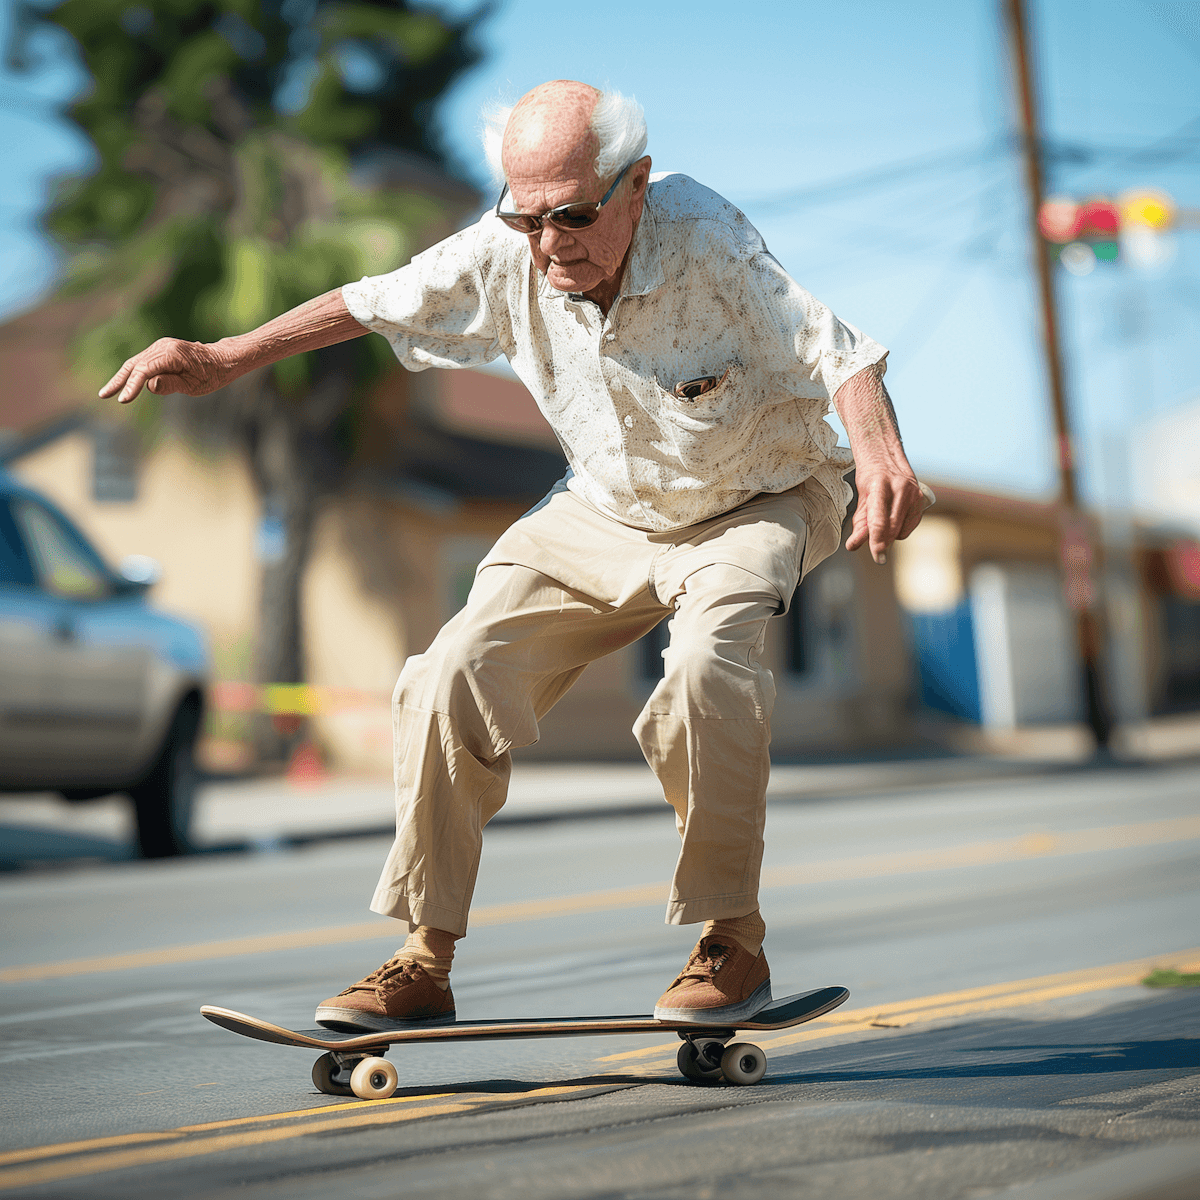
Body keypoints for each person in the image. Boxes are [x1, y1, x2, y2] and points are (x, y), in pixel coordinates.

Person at [102, 80, 927, 1032]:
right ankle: (422, 961)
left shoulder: (705, 235)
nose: (550, 244)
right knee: (450, 670)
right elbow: (366, 303)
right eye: (528, 217)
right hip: (607, 508)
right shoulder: (509, 251)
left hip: (762, 495)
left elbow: (841, 351)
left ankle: (733, 942)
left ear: (636, 188)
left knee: (707, 665)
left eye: (574, 215)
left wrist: (879, 451)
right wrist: (222, 356)